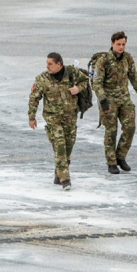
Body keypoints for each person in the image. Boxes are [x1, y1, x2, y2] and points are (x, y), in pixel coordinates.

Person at [29, 53, 88, 190]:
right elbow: (34, 98)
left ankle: (58, 174)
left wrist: (78, 89)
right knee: (60, 144)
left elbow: (85, 80)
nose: (47, 66)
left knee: (68, 145)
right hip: (52, 117)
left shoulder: (72, 73)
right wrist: (31, 117)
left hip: (70, 117)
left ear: (59, 64)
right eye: (47, 63)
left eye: (50, 64)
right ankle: (65, 178)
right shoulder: (42, 79)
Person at [92, 31, 137, 174]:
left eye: (123, 44)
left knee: (130, 128)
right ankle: (111, 162)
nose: (121, 47)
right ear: (112, 44)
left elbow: (133, 76)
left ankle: (120, 157)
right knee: (111, 131)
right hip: (108, 99)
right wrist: (103, 101)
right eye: (118, 44)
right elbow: (96, 82)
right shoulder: (103, 60)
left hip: (124, 98)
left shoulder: (127, 58)